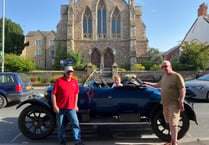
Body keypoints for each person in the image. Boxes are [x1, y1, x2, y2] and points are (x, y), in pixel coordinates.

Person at [144, 60, 185, 145]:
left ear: (170, 66)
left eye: (166, 66)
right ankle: (172, 141)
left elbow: (182, 88)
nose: (164, 68)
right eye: (162, 67)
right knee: (169, 122)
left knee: (173, 123)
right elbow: (158, 85)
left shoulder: (177, 76)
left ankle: (175, 142)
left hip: (173, 104)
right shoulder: (164, 77)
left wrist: (181, 100)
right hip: (165, 104)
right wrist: (148, 83)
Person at [51, 66, 84, 145]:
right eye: (68, 72)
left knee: (75, 124)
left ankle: (78, 141)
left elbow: (76, 94)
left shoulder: (74, 81)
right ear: (65, 73)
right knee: (60, 126)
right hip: (60, 107)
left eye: (71, 72)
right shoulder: (59, 81)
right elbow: (53, 93)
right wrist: (55, 106)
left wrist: (76, 105)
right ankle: (62, 141)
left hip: (71, 107)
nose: (70, 73)